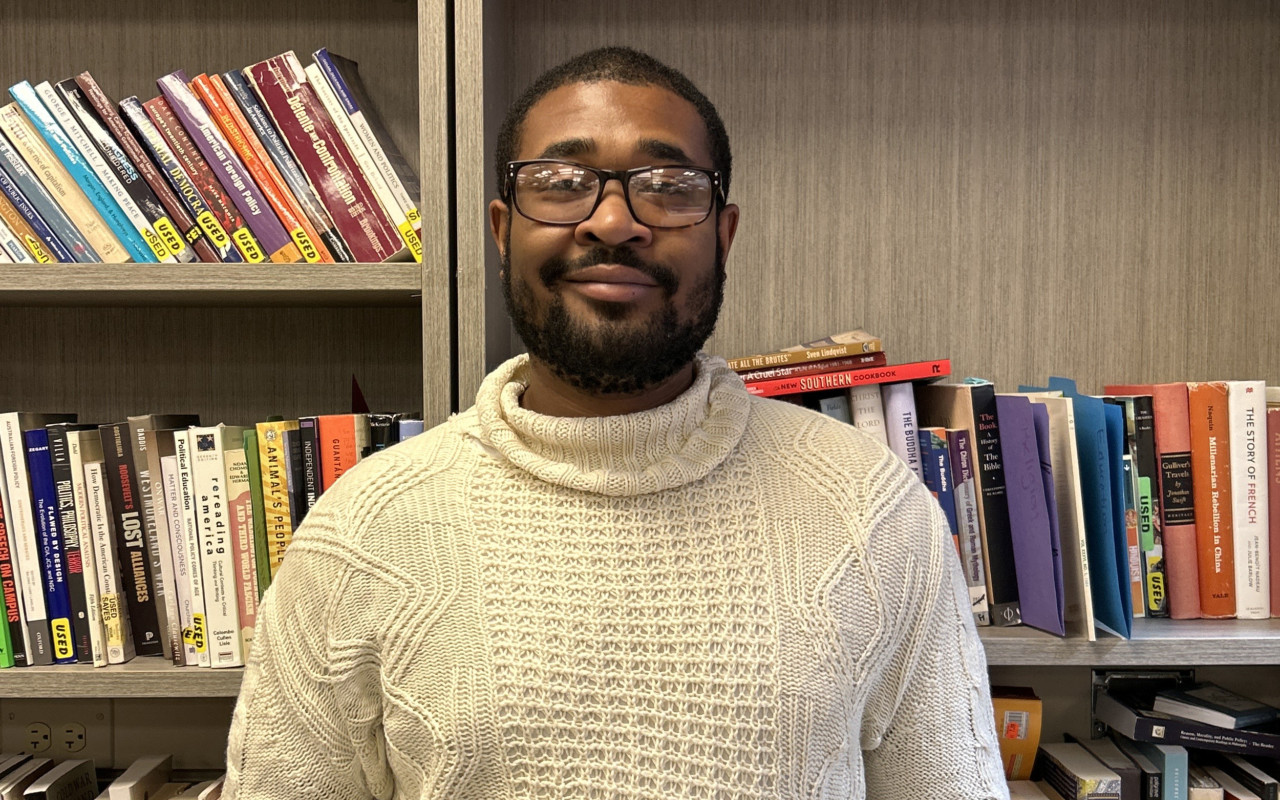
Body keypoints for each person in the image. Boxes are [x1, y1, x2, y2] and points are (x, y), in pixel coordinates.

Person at [224, 46, 1008, 800]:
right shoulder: (363, 531)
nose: (612, 221)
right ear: (502, 231)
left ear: (723, 236)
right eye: (562, 181)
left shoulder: (870, 507)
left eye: (667, 184)